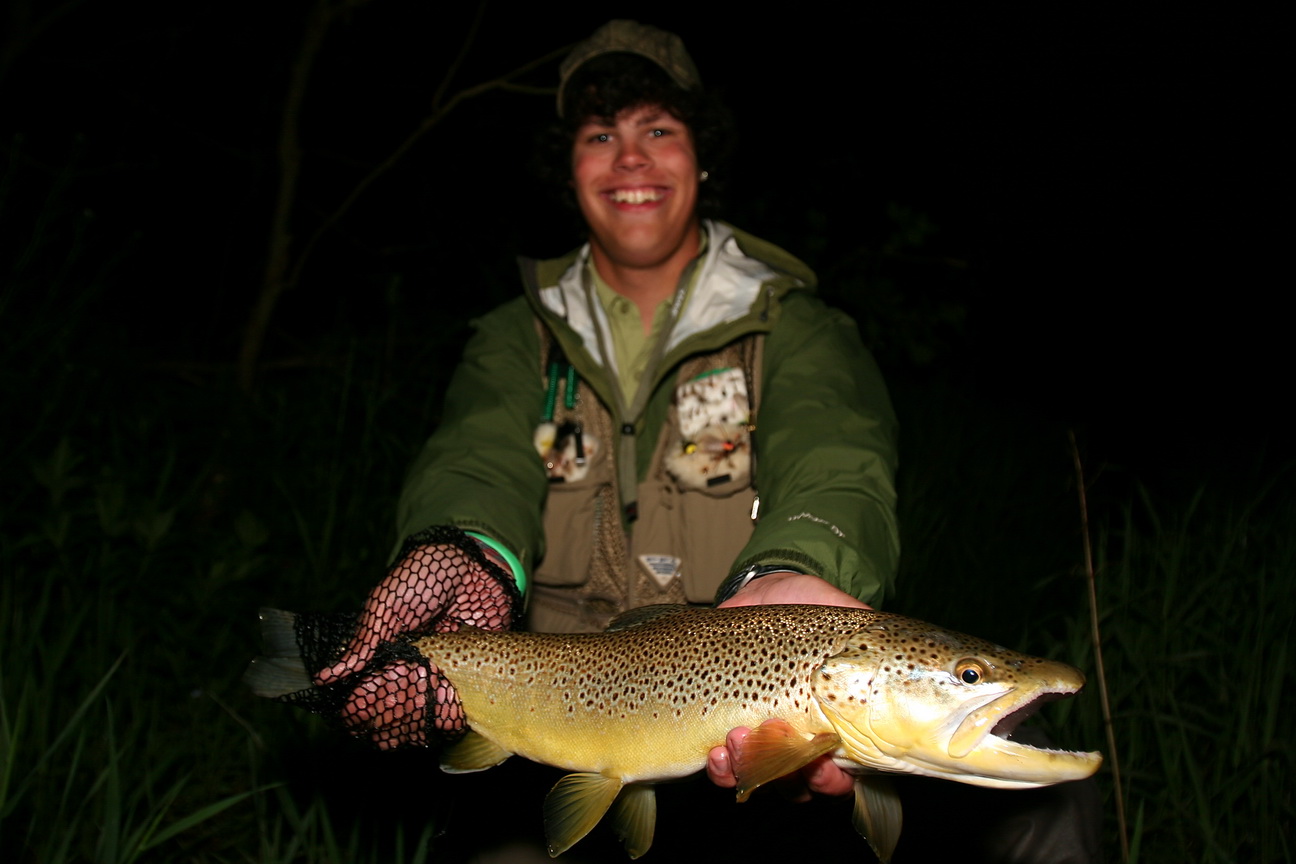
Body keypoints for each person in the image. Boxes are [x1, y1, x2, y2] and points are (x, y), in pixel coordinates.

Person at [309, 20, 1097, 862]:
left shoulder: (796, 328)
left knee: (1053, 823)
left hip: (747, 768)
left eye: (659, 129)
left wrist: (803, 568)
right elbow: (477, 455)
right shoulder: (514, 340)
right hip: (551, 720)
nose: (632, 158)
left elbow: (839, 455)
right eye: (600, 135)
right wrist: (466, 548)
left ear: (703, 156)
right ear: (566, 168)